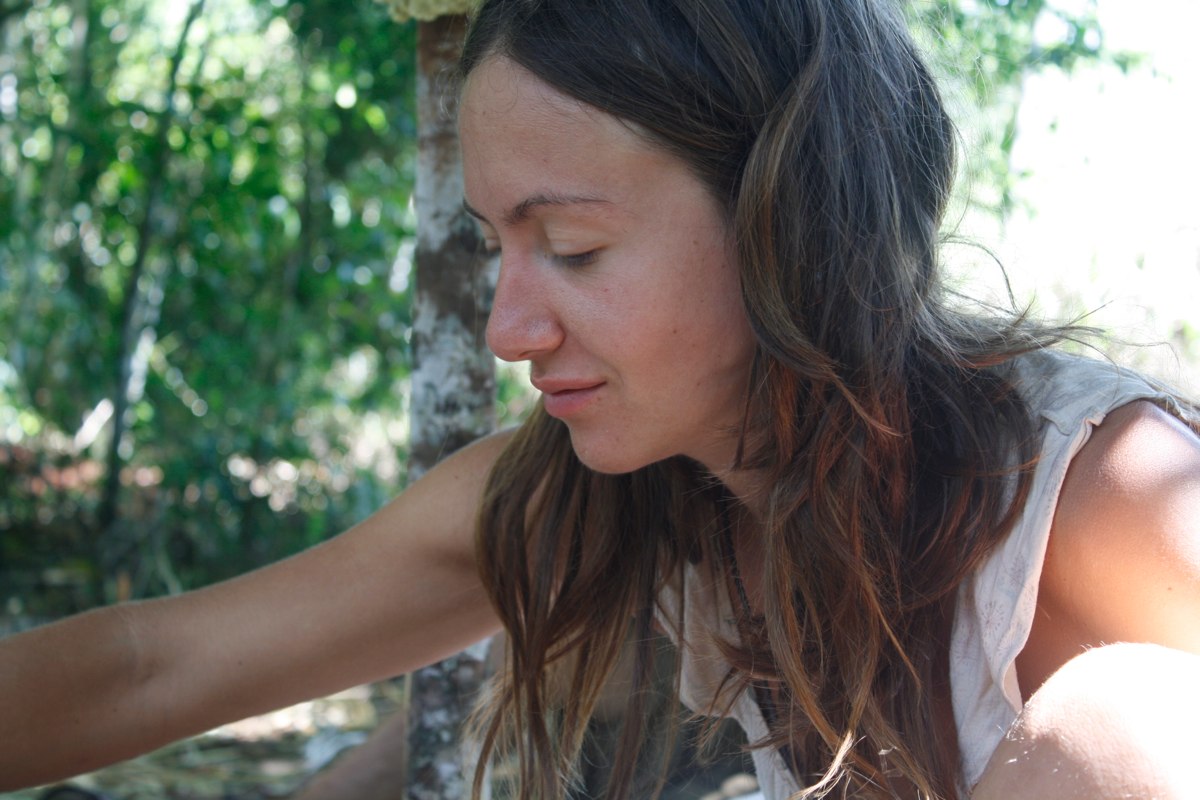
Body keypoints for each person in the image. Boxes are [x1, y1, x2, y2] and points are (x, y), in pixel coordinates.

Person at [2, 0, 1199, 798]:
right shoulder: (605, 493)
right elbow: (151, 665)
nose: (508, 328)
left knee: (1132, 715)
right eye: (496, 248)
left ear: (788, 221)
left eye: (572, 248)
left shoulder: (1102, 495)